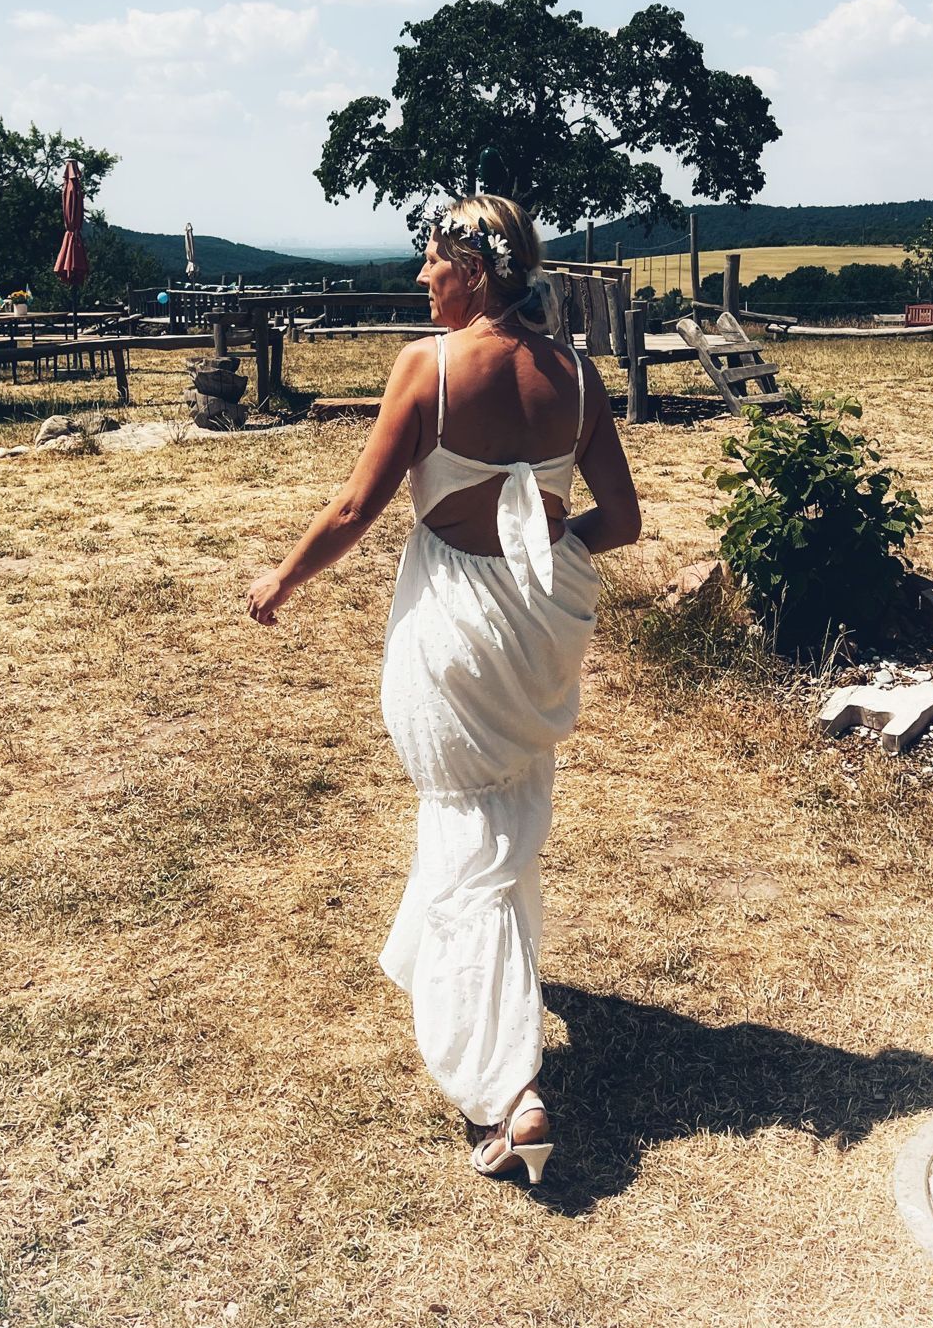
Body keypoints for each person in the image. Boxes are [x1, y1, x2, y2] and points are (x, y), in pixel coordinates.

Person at [246, 195, 641, 1184]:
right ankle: (479, 993)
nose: (421, 277)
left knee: (469, 838)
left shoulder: (429, 366)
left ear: (471, 269)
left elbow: (356, 506)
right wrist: (546, 547)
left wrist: (282, 579)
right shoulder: (578, 374)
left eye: (431, 260)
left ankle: (509, 1089)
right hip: (538, 628)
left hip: (458, 630)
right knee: (501, 819)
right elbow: (624, 520)